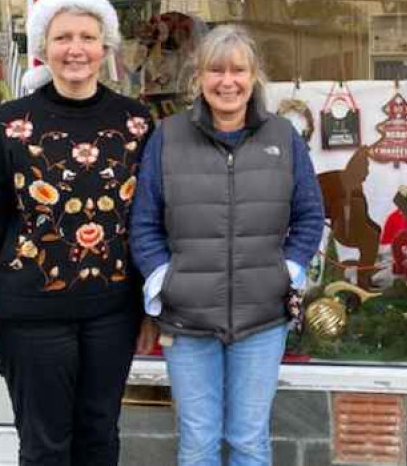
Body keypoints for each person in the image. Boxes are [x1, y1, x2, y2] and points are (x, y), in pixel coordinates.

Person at [0, 0, 157, 466]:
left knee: (100, 441)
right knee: (44, 449)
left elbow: (150, 223)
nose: (76, 49)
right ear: (42, 48)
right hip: (30, 319)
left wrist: (152, 310)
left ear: (105, 46)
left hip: (111, 318)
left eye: (88, 37)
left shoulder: (136, 123)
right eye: (62, 37)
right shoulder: (10, 125)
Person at [129, 24, 324, 466]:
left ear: (254, 76)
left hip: (262, 319)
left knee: (249, 440)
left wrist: (287, 271)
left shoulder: (283, 138)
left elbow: (310, 216)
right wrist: (166, 279)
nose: (227, 81)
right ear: (198, 77)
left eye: (238, 70)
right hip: (187, 320)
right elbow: (143, 224)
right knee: (197, 443)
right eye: (216, 70)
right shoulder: (168, 138)